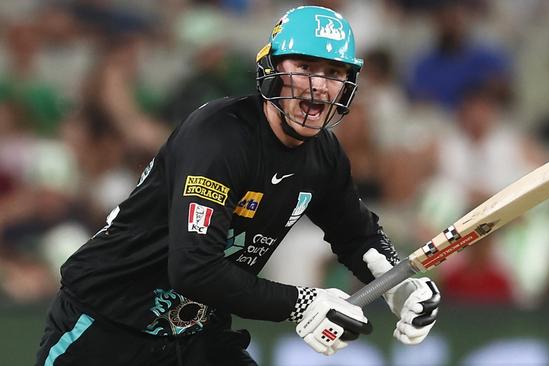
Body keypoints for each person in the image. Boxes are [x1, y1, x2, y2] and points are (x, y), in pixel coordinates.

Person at [35, 6, 441, 365]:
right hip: (106, 325)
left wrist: (397, 284)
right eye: (305, 67)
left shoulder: (325, 155)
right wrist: (300, 303)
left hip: (194, 337)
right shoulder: (218, 137)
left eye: (333, 73)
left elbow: (357, 234)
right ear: (274, 71)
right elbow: (193, 268)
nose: (319, 86)